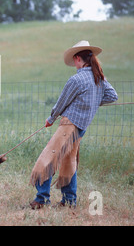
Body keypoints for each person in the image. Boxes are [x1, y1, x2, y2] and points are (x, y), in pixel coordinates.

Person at [29, 40, 118, 209]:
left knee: (48, 158)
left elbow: (62, 102)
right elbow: (113, 96)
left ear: (78, 58)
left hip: (69, 125)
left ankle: (41, 199)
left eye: (74, 60)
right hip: (81, 128)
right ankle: (69, 201)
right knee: (69, 161)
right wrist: (92, 102)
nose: (74, 64)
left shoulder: (76, 79)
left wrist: (51, 118)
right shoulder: (99, 77)